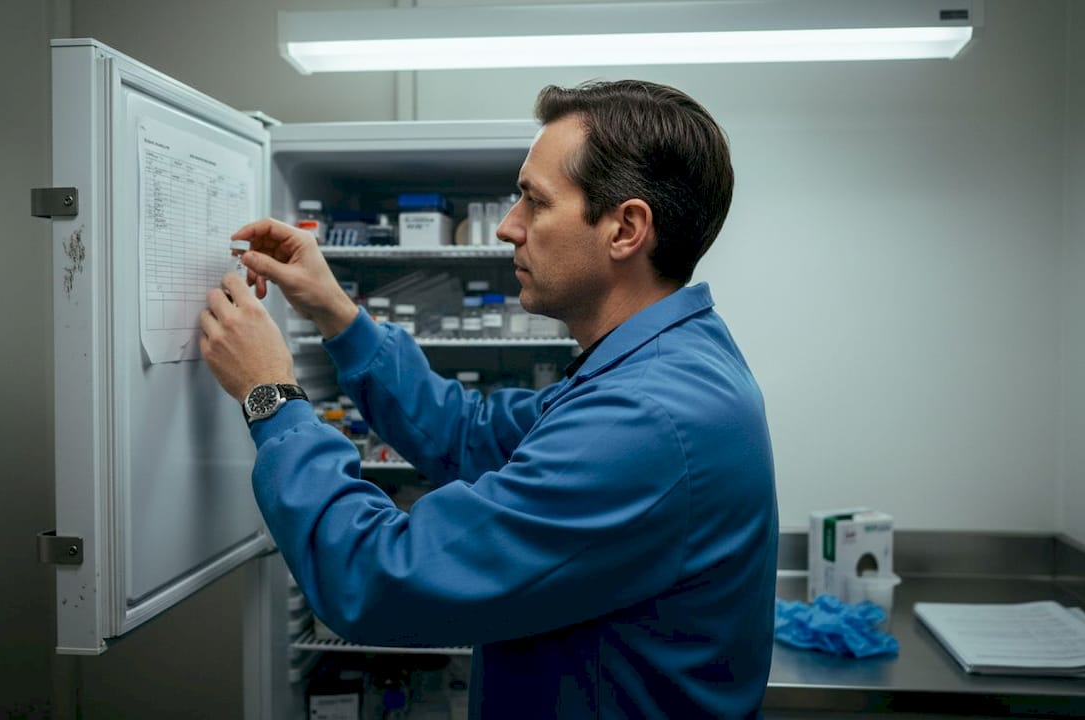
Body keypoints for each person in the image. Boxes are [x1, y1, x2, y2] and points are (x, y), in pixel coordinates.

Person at [200, 79, 777, 719]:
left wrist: (271, 397)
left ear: (625, 229)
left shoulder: (647, 420)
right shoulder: (658, 365)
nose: (507, 228)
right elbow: (468, 433)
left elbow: (378, 576)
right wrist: (338, 313)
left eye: (534, 201)